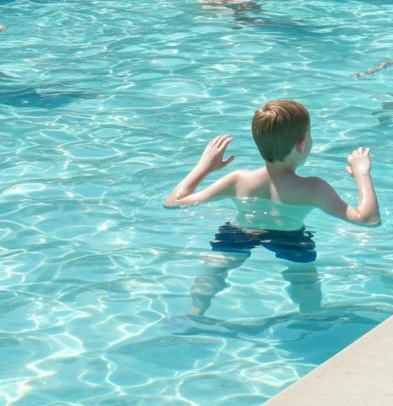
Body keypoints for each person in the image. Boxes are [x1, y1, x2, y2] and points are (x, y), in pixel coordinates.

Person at [163, 99, 380, 315]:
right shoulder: (313, 188)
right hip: (290, 239)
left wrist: (204, 167)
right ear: (301, 144)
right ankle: (310, 314)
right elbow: (367, 218)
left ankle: (195, 312)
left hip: (239, 231)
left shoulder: (238, 180)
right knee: (306, 279)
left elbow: (174, 203)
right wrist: (362, 173)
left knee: (214, 268)